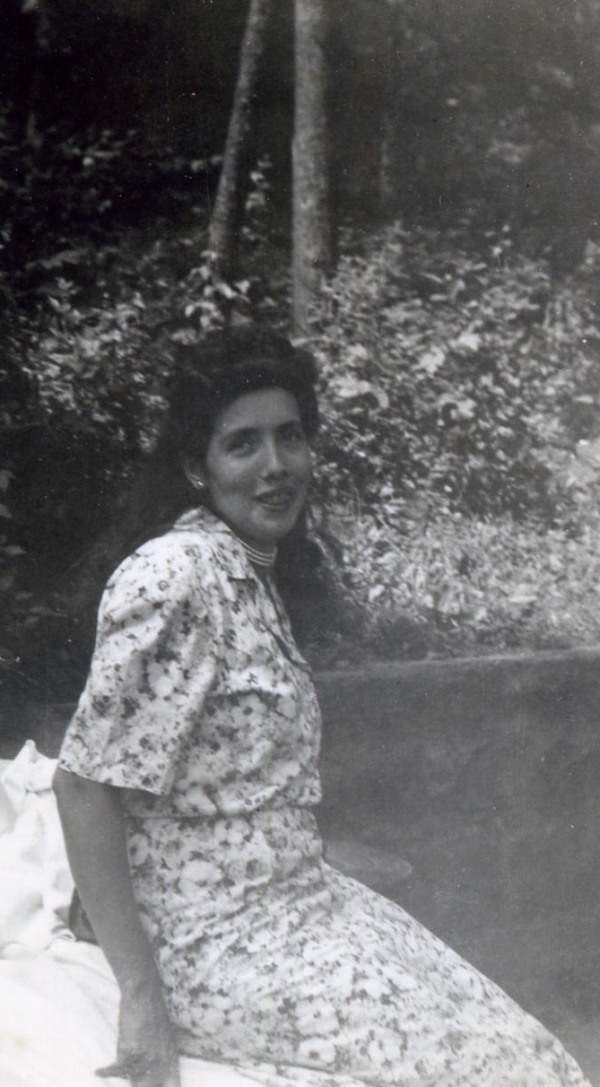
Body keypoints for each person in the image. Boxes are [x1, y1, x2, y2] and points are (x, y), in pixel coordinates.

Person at [53, 328, 590, 1087]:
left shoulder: (247, 571)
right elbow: (82, 786)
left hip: (295, 902)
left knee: (531, 1052)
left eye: (290, 436)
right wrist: (141, 998)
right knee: (505, 1072)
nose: (275, 465)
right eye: (242, 443)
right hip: (209, 941)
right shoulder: (175, 575)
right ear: (196, 467)